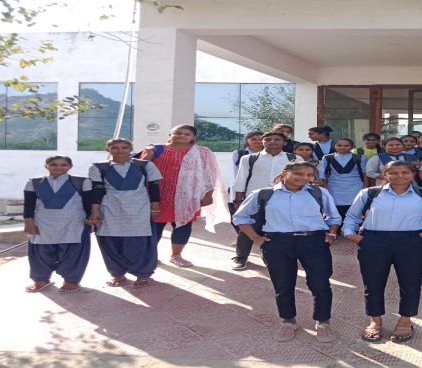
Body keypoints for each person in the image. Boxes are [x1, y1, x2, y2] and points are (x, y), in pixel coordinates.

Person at [232, 161, 343, 342]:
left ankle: (323, 322)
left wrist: (331, 234)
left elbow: (334, 216)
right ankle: (288, 321)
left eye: (309, 175)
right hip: (278, 243)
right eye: (299, 174)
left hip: (313, 242)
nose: (304, 178)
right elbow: (240, 217)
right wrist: (256, 238)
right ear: (285, 173)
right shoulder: (263, 194)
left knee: (320, 283)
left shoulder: (319, 193)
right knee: (283, 284)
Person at [343, 161, 422, 342]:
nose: (399, 176)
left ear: (412, 174)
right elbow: (352, 216)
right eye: (393, 172)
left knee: (411, 282)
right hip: (374, 241)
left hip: (411, 242)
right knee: (373, 283)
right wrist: (351, 234)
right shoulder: (370, 193)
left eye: (405, 172)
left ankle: (405, 320)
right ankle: (375, 320)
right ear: (385, 174)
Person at [141, 124, 221, 268]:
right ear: (170, 134)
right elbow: (140, 168)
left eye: (187, 134)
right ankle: (151, 255)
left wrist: (208, 194)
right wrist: (148, 156)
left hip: (188, 195)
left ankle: (176, 255)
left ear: (193, 137)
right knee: (155, 225)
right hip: (157, 195)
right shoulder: (155, 149)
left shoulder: (202, 152)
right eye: (178, 133)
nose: (182, 136)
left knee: (184, 224)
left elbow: (210, 174)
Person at [88, 138, 163, 289]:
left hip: (139, 208)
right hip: (110, 208)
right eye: (115, 148)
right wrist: (95, 211)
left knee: (141, 242)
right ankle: (117, 274)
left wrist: (155, 207)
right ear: (108, 150)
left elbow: (154, 187)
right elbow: (96, 190)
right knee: (110, 241)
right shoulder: (98, 167)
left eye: (124, 147)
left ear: (130, 149)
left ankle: (143, 274)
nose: (120, 151)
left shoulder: (145, 165)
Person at [23, 155, 93, 293]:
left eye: (63, 165)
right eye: (53, 164)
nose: (58, 167)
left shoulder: (82, 182)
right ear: (46, 166)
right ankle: (41, 279)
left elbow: (89, 203)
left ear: (70, 167)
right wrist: (28, 222)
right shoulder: (34, 183)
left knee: (73, 252)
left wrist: (91, 218)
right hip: (42, 222)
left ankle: (71, 280)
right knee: (41, 252)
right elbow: (29, 205)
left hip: (73, 222)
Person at [231, 131, 297, 270]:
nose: (272, 141)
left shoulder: (294, 158)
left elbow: (300, 178)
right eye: (268, 139)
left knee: (277, 230)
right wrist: (238, 201)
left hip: (282, 200)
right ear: (262, 141)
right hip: (254, 200)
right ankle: (241, 257)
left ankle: (270, 257)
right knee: (248, 228)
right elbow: (240, 179)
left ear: (284, 142)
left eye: (277, 139)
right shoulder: (249, 158)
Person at [317, 138, 366, 217]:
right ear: (334, 146)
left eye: (346, 146)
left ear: (352, 147)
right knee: (335, 210)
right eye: (339, 145)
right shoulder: (327, 158)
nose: (342, 147)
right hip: (334, 187)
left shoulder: (360, 157)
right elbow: (324, 174)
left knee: (354, 209)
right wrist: (325, 187)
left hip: (355, 187)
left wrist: (365, 186)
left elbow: (364, 173)